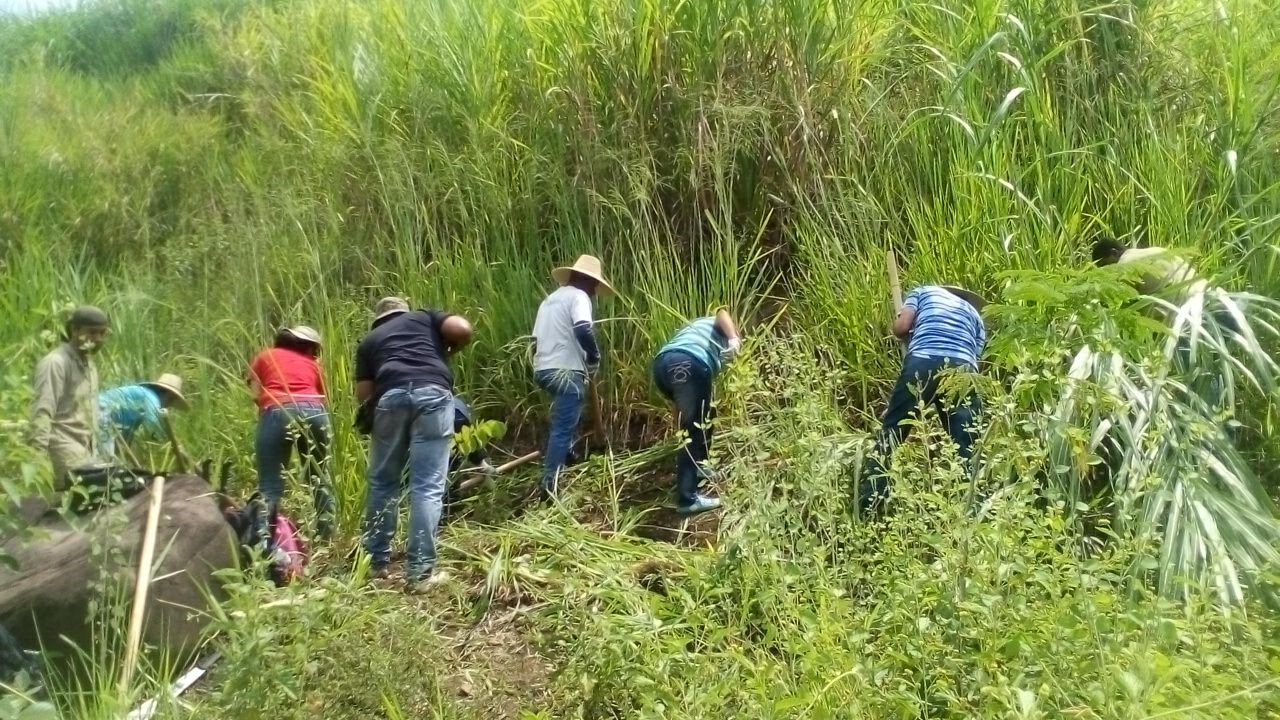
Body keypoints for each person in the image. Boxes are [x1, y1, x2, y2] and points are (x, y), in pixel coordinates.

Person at [357, 296, 473, 591]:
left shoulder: (369, 341)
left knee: (383, 483)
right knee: (427, 486)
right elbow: (462, 328)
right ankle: (420, 574)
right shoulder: (424, 317)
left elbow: (364, 395)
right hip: (432, 395)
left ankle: (374, 564)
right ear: (403, 312)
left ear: (379, 320)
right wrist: (451, 350)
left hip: (390, 399)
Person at [860, 285, 986, 514]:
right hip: (964, 371)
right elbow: (975, 355)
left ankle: (870, 506)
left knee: (892, 433)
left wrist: (901, 325)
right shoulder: (975, 314)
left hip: (924, 359)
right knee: (966, 443)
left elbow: (901, 328)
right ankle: (972, 511)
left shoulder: (923, 292)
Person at [531, 254, 613, 499]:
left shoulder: (549, 301)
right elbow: (583, 328)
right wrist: (594, 356)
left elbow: (534, 341)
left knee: (567, 417)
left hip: (543, 369)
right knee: (562, 427)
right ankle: (549, 486)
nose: (595, 292)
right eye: (595, 286)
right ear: (588, 281)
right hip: (565, 371)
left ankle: (568, 455)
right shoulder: (579, 296)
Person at [652, 309, 742, 514]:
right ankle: (687, 499)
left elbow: (680, 407)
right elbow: (722, 312)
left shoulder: (694, 331)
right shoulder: (719, 324)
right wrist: (734, 338)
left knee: (706, 412)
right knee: (694, 429)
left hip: (662, 366)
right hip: (689, 363)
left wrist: (680, 428)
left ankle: (700, 466)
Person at [248, 326, 334, 539]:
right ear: (309, 348)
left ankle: (264, 543)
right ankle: (326, 537)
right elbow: (324, 398)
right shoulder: (314, 365)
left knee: (270, 485)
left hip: (278, 407)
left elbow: (255, 392)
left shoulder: (266, 355)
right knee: (319, 478)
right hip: (315, 411)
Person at [30, 306, 110, 488]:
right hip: (63, 452)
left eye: (102, 333)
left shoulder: (89, 364)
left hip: (85, 452)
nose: (98, 339)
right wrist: (37, 459)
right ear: (75, 330)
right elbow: (42, 411)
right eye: (92, 332)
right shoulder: (55, 363)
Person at [97, 373, 188, 463]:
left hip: (100, 412)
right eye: (171, 400)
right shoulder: (151, 397)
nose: (169, 405)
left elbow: (128, 436)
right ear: (168, 394)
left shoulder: (142, 403)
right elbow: (152, 423)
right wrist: (170, 443)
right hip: (102, 410)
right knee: (105, 460)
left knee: (106, 457)